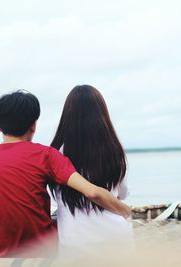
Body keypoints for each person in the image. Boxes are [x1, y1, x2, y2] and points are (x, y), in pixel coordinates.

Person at [0, 90, 130, 257]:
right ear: (33, 125)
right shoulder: (46, 156)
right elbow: (92, 192)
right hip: (40, 247)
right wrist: (125, 210)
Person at [50, 85, 134, 258]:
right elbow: (123, 193)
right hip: (116, 239)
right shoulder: (114, 150)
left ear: (67, 116)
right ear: (102, 114)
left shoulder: (56, 153)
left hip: (75, 242)